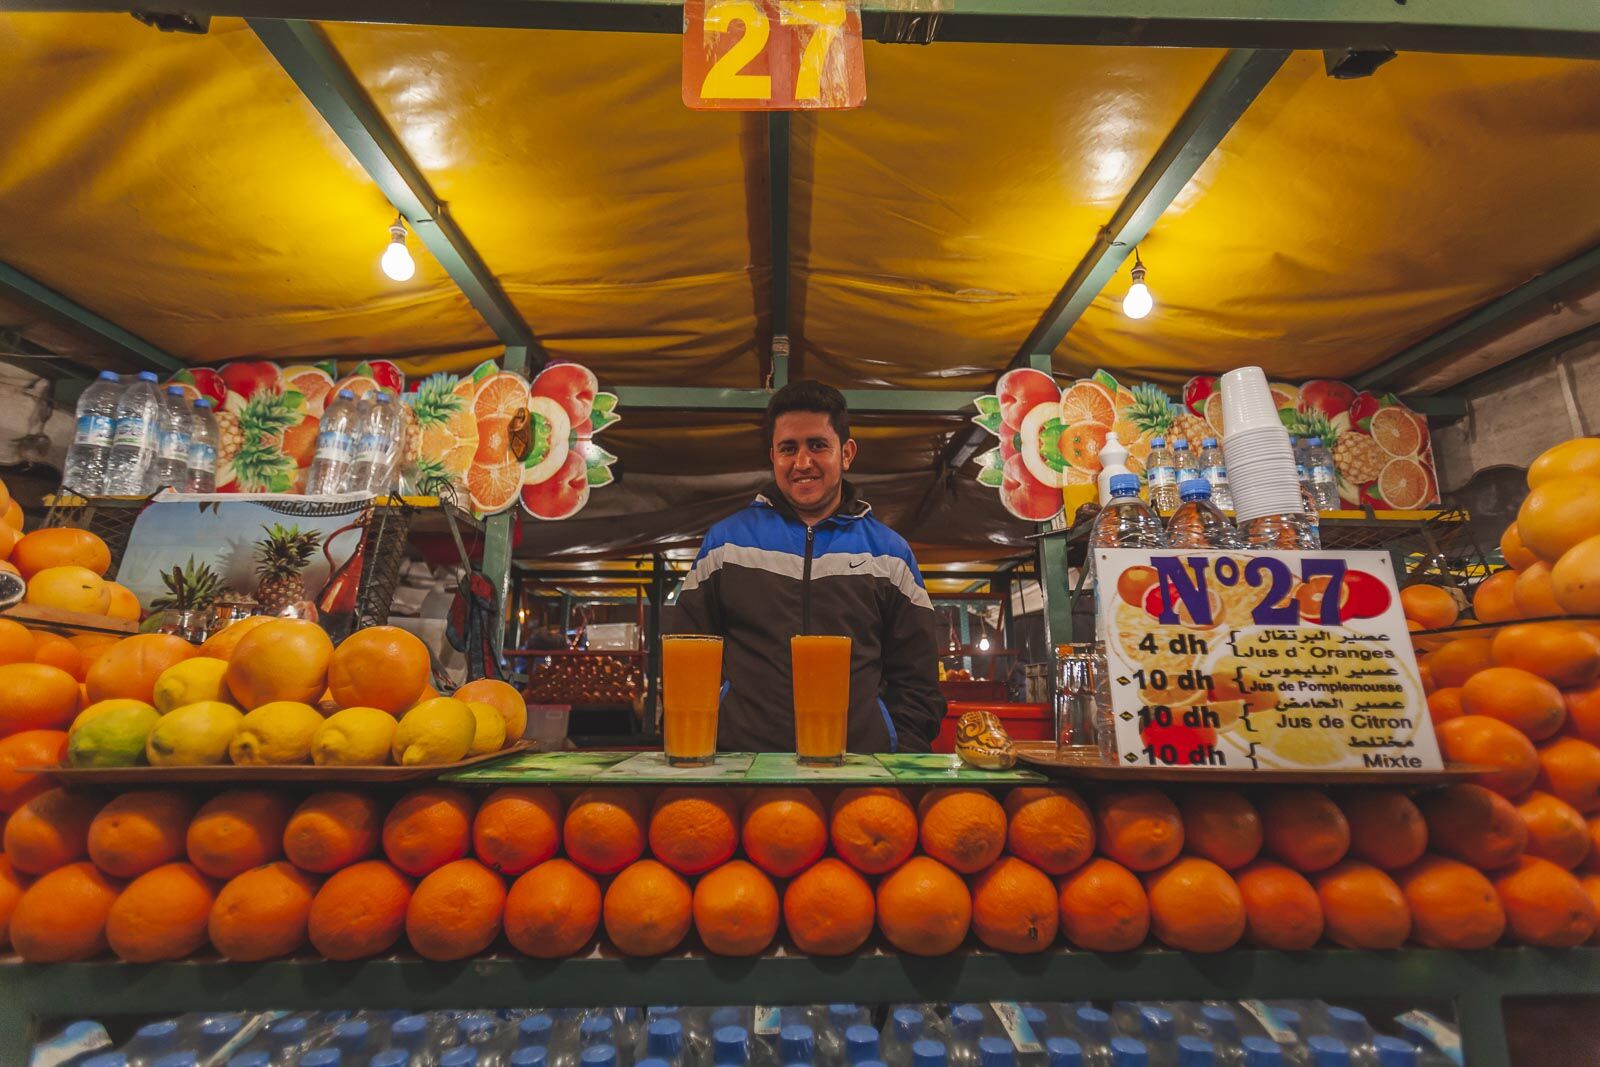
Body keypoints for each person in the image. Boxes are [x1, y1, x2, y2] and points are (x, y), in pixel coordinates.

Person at [666, 380, 947, 752]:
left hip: (859, 773)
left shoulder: (890, 555)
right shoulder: (724, 546)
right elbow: (687, 666)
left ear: (846, 453)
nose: (802, 463)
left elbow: (918, 677)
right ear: (773, 456)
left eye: (817, 445)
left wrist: (895, 745)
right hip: (742, 769)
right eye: (788, 448)